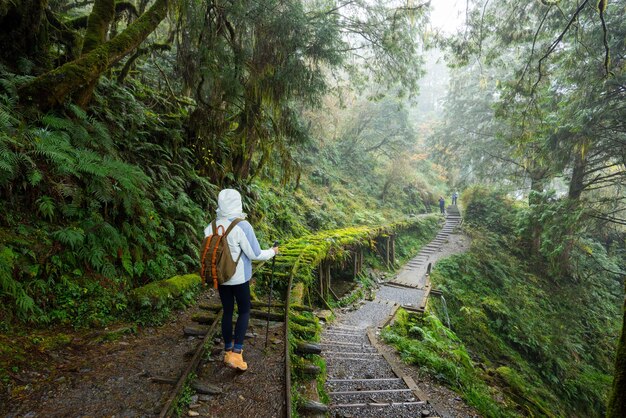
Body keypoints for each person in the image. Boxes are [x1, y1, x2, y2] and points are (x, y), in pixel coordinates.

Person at [204, 189, 279, 371]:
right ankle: (237, 354)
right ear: (238, 203)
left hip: (220, 278)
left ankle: (228, 350)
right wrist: (273, 252)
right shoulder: (242, 226)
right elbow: (255, 254)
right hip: (239, 279)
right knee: (244, 311)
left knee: (227, 311)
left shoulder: (210, 226)